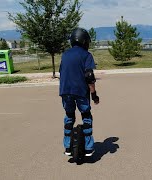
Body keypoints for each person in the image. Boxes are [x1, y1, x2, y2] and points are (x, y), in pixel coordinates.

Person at [59, 27, 100, 157]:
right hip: (81, 91)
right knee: (86, 115)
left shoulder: (65, 55)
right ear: (84, 42)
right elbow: (89, 75)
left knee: (69, 116)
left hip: (65, 91)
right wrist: (94, 94)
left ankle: (67, 147)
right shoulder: (86, 55)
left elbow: (62, 72)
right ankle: (88, 148)